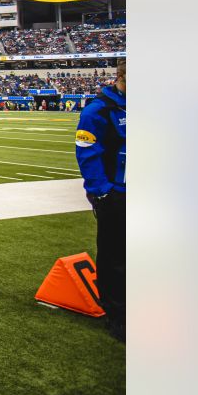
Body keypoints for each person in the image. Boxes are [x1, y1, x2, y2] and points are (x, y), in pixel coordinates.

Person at [75, 59, 126, 341]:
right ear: (122, 75)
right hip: (116, 194)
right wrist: (102, 191)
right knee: (114, 255)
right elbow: (86, 148)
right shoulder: (100, 109)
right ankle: (118, 316)